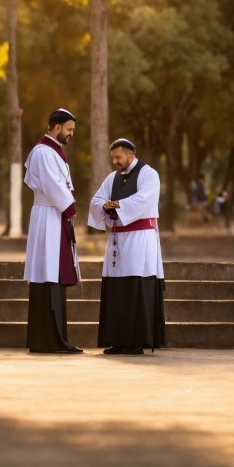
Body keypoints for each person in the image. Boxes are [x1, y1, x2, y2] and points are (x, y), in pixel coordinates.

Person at [88, 138, 166, 355]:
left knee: (135, 287)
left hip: (141, 239)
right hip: (117, 240)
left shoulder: (149, 174)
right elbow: (96, 200)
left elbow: (144, 200)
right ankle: (117, 341)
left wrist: (118, 204)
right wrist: (105, 204)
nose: (115, 161)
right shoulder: (112, 178)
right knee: (116, 291)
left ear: (130, 155)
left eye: (118, 157)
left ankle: (136, 341)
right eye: (113, 157)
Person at [23, 108, 82, 354]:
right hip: (49, 216)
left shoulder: (53, 151)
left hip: (54, 215)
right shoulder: (43, 152)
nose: (71, 134)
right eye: (69, 129)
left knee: (53, 274)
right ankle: (49, 340)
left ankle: (52, 340)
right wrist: (70, 208)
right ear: (56, 127)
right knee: (48, 273)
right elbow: (51, 185)